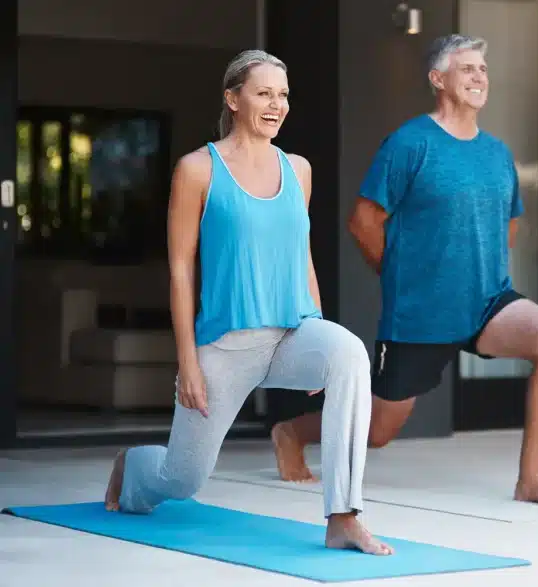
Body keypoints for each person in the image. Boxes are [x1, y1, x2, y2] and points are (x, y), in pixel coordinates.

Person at [103, 49, 393, 555]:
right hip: (226, 345)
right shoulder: (198, 169)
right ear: (233, 99)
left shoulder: (298, 169)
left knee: (348, 352)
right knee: (182, 479)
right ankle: (134, 467)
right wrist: (188, 362)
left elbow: (301, 253)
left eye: (282, 95)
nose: (276, 105)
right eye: (264, 93)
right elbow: (179, 269)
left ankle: (344, 515)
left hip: (289, 333)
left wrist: (317, 331)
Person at [271, 35, 538, 508]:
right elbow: (364, 222)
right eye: (467, 68)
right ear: (438, 79)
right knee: (378, 432)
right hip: (420, 312)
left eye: (483, 69)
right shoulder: (410, 143)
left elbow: (510, 222)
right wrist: (402, 277)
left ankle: (530, 478)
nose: (479, 77)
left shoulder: (496, 153)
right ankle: (292, 431)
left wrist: (480, 268)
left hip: (489, 302)